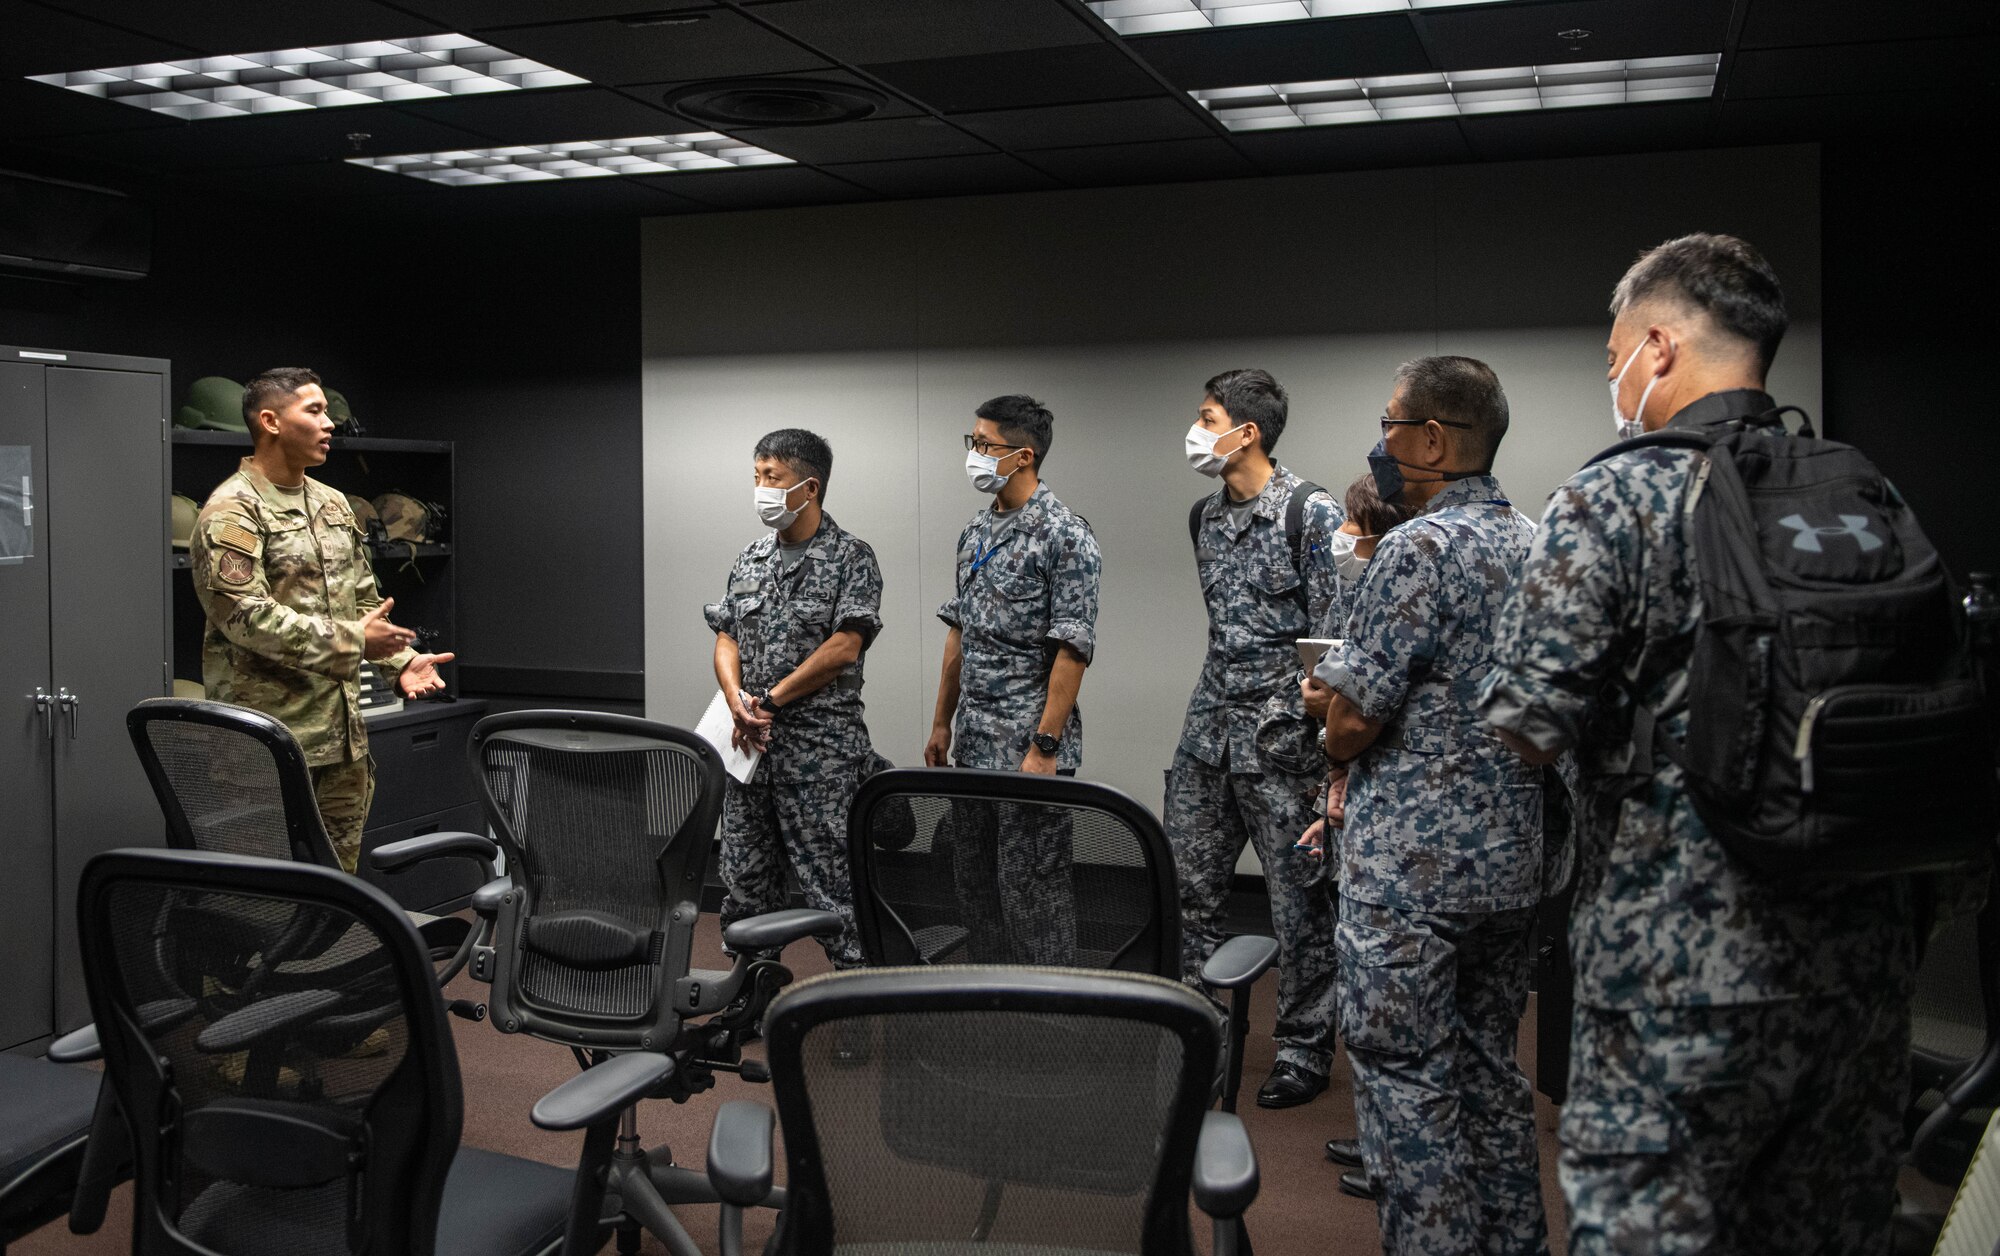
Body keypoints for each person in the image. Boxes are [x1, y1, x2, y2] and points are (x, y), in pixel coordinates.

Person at [1479, 233, 1943, 1254]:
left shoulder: (1616, 494)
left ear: (1655, 346)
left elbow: (1524, 724)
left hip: (1675, 972)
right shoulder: (1861, 490)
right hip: (1859, 969)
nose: (1613, 380)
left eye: (1611, 359)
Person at [1305, 356, 1547, 1252]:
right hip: (1511, 866)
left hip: (1410, 876)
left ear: (1436, 439)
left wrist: (1327, 718)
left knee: (1405, 1085)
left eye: (1392, 424)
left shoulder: (1417, 547)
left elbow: (1353, 722)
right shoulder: (1535, 540)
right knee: (1489, 1075)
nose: (1383, 444)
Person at [191, 367, 451, 873]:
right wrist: (356, 642)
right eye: (314, 411)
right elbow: (246, 617)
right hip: (267, 746)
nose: (329, 423)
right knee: (264, 895)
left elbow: (362, 600)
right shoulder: (232, 512)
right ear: (270, 421)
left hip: (341, 744)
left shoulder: (332, 504)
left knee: (337, 890)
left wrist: (398, 661)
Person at [1166, 368, 1344, 1109]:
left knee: (1297, 906)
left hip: (1284, 746)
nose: (1196, 432)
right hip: (1209, 736)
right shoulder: (1204, 517)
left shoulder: (1313, 514)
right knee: (1189, 888)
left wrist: (1329, 748)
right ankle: (1198, 1034)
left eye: (1207, 418)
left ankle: (1303, 1047)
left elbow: (1334, 646)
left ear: (1249, 431)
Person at [926, 395, 1099, 964]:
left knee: (1033, 895)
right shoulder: (975, 532)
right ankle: (990, 1013)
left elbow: (1072, 651)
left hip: (1028, 745)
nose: (973, 454)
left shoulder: (1064, 534)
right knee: (975, 891)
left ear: (1022, 455)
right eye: (971, 442)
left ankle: (1052, 1022)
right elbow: (959, 634)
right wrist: (940, 724)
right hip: (973, 741)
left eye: (984, 445)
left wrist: (1045, 747)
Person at [705, 429, 882, 969]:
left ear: (809, 486)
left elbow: (845, 646)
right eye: (756, 476)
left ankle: (858, 1005)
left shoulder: (852, 557)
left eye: (772, 478)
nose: (760, 488)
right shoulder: (752, 558)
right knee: (744, 881)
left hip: (820, 754)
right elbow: (726, 637)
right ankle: (750, 994)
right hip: (750, 748)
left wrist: (771, 703)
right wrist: (737, 698)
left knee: (833, 882)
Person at [1300, 472, 1416, 1166]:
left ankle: (1397, 1162)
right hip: (1376, 816)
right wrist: (1335, 800)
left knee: (1395, 1018)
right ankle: (1386, 1145)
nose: (1339, 536)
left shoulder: (1395, 596)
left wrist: (1327, 715)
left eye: (1350, 524)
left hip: (1402, 843)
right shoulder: (1369, 592)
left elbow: (1354, 727)